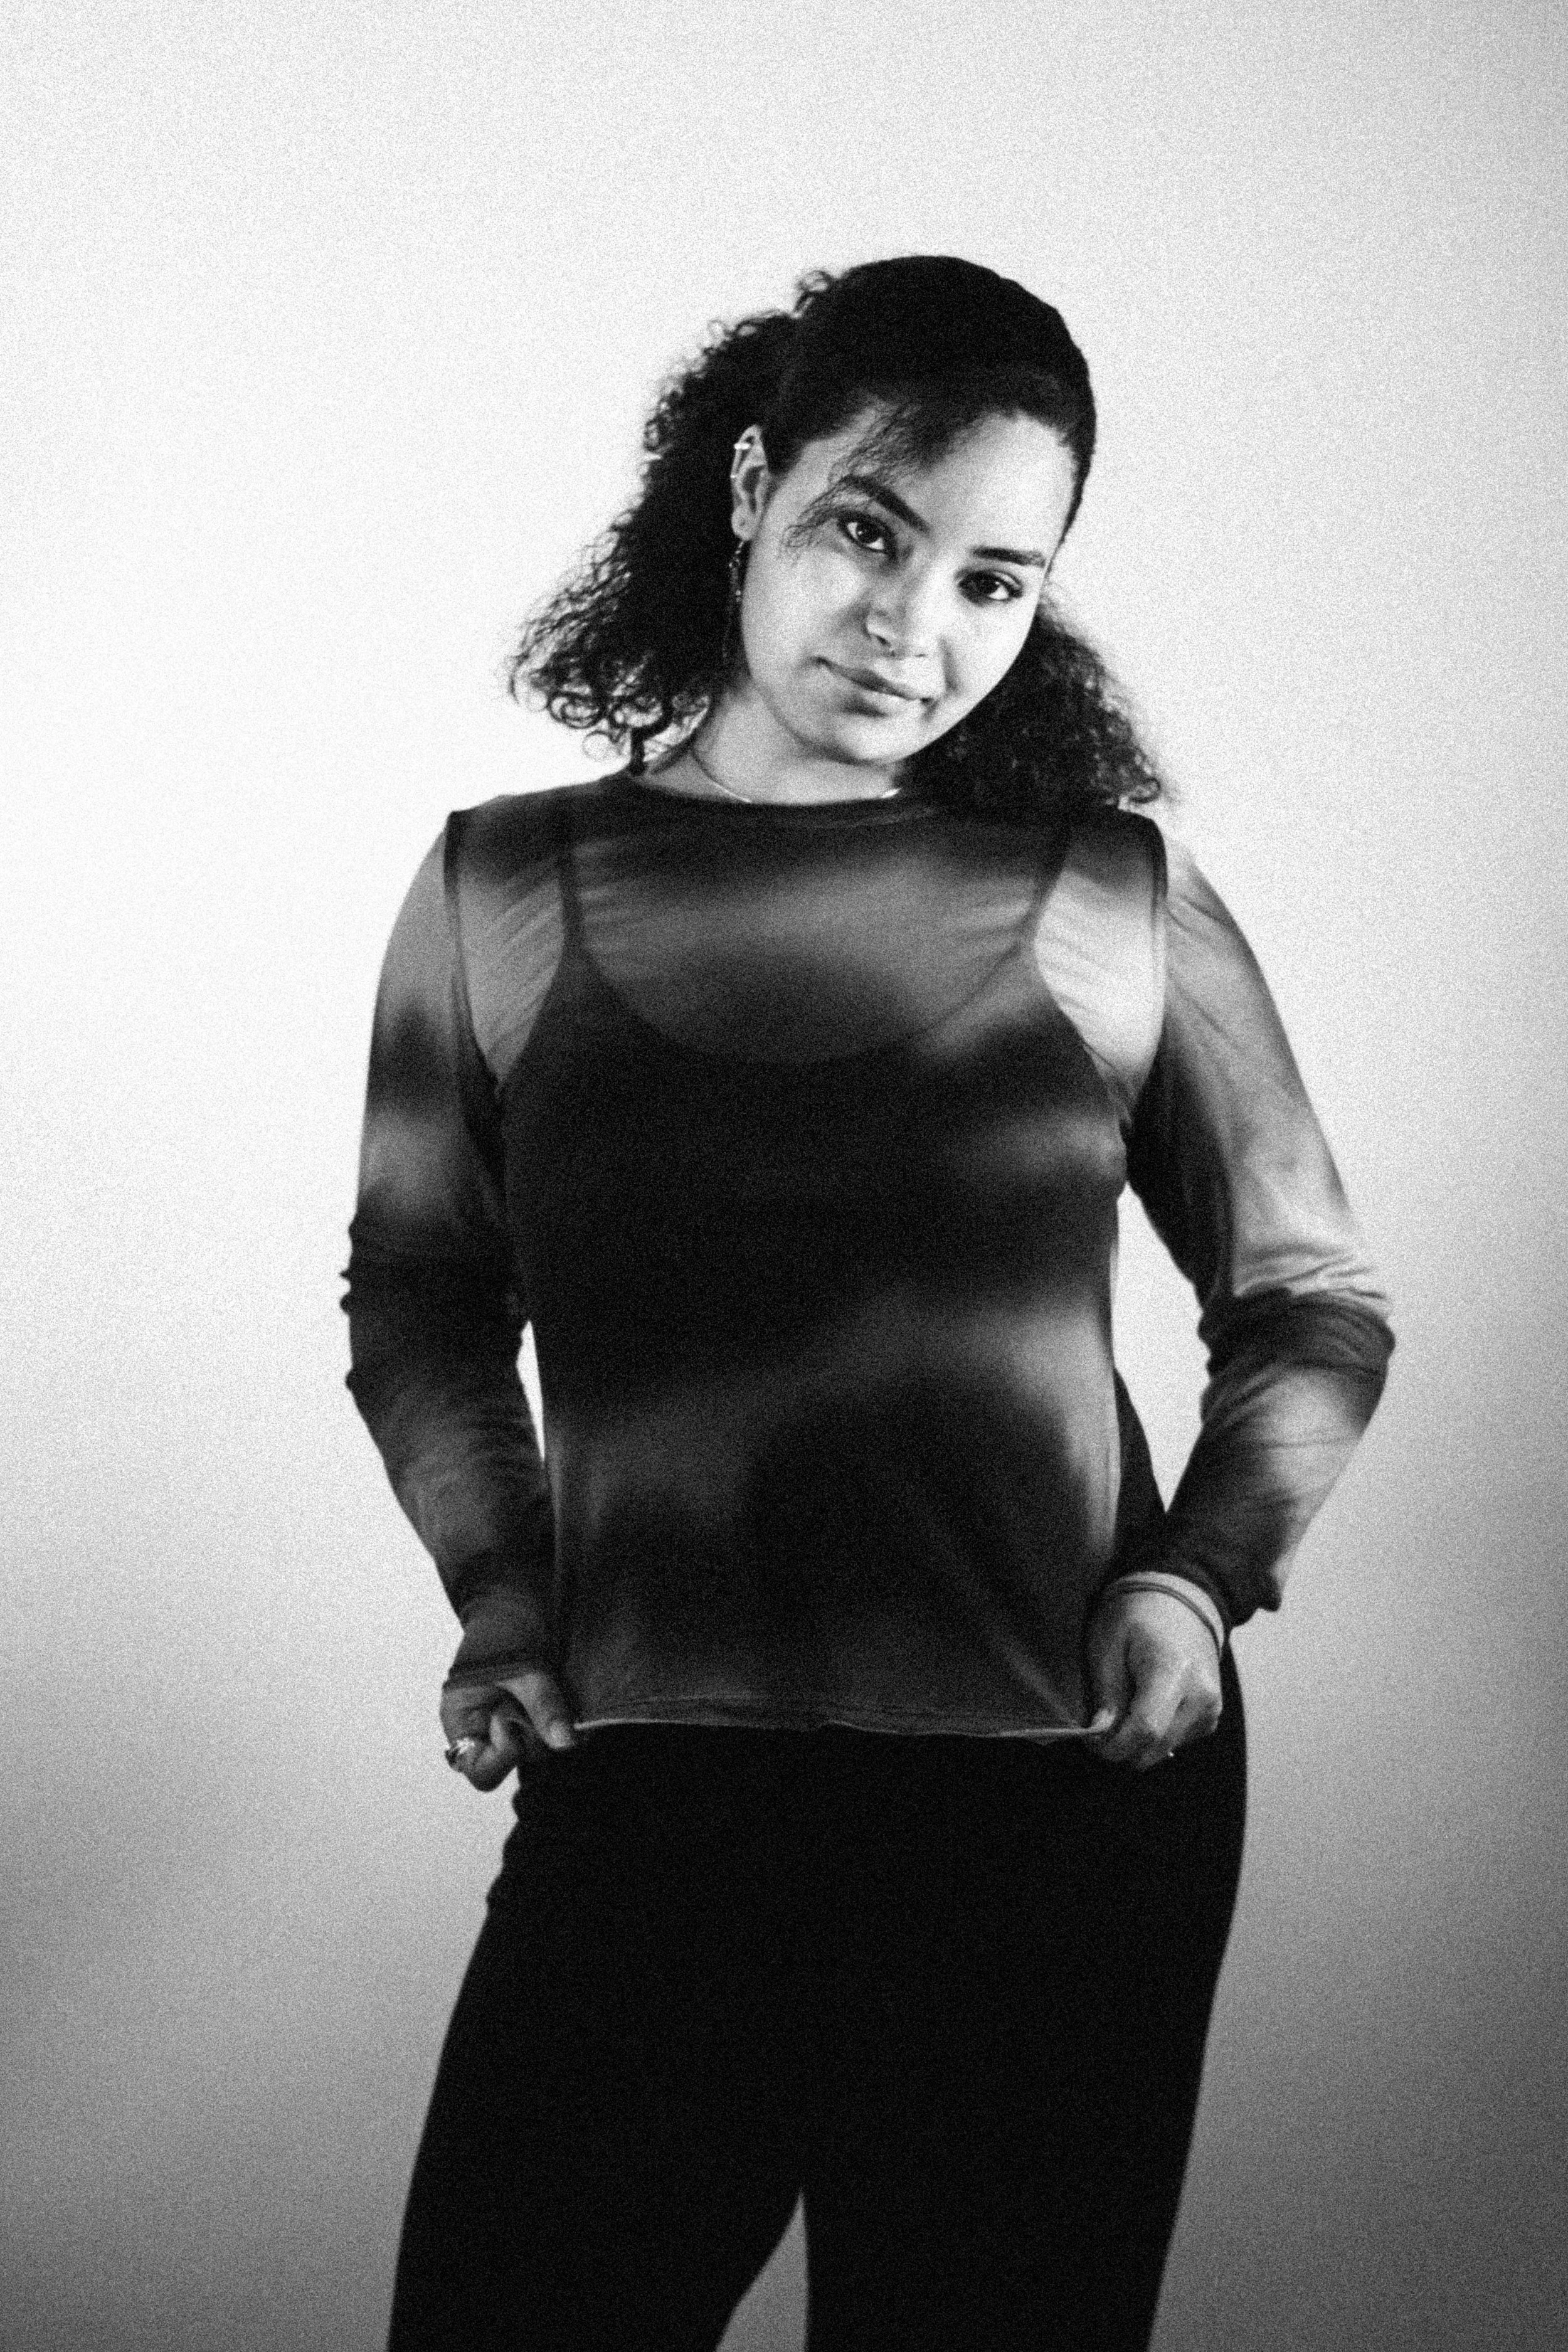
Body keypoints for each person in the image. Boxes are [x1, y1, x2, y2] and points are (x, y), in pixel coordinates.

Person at [344, 256, 1392, 2352]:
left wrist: (1194, 1580)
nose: (917, 631)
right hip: (656, 1788)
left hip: (1056, 1805)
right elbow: (421, 1295)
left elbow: (1308, 1294)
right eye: (866, 532)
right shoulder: (499, 887)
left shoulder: (1114, 895)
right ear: (751, 485)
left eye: (996, 581)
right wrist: (500, 1592)